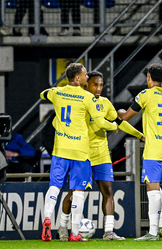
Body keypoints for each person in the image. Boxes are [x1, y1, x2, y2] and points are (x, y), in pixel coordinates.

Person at [57, 71, 144, 241]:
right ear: (86, 84)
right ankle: (62, 227)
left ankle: (109, 232)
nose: (98, 88)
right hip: (82, 155)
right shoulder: (79, 101)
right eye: (95, 84)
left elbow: (119, 122)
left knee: (108, 191)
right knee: (74, 192)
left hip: (102, 154)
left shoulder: (105, 103)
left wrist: (139, 135)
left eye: (101, 84)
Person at [40, 63, 118, 242]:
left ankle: (47, 218)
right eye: (84, 76)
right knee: (79, 191)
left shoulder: (57, 93)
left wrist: (49, 93)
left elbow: (43, 94)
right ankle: (75, 233)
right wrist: (113, 126)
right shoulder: (86, 97)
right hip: (80, 151)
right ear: (77, 79)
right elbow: (100, 122)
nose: (86, 78)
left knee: (55, 186)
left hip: (60, 150)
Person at [117, 63, 162, 241]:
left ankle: (153, 232)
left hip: (154, 148)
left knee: (151, 187)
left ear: (149, 78)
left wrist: (119, 112)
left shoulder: (145, 95)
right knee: (155, 185)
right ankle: (161, 224)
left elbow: (126, 117)